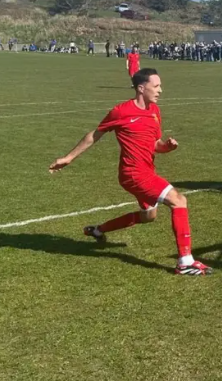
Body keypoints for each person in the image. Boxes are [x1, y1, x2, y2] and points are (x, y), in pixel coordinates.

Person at [48, 68, 211, 276]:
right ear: (141, 88)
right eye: (156, 86)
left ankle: (98, 230)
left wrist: (167, 147)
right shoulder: (121, 111)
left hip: (145, 171)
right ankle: (185, 262)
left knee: (148, 217)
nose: (161, 90)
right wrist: (69, 157)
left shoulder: (155, 111)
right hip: (133, 173)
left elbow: (154, 145)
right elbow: (94, 135)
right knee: (179, 200)